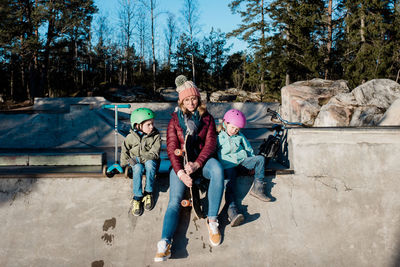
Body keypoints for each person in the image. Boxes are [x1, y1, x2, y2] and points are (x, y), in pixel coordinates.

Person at [154, 75, 225, 262]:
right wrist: (180, 172)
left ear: (198, 98)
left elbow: (210, 144)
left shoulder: (207, 118)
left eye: (193, 98)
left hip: (202, 162)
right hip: (181, 165)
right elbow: (171, 148)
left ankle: (212, 220)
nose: (191, 102)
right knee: (174, 201)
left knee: (217, 169)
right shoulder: (174, 120)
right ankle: (164, 243)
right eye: (187, 100)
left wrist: (197, 163)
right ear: (182, 101)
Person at [217, 109, 271, 227]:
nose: (235, 131)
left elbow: (249, 150)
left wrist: (252, 162)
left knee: (260, 159)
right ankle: (232, 212)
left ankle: (258, 188)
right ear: (226, 123)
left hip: (242, 163)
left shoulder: (239, 136)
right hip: (228, 167)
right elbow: (216, 154)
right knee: (230, 185)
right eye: (232, 128)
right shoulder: (219, 137)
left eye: (237, 129)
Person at [121, 108, 161, 216]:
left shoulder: (155, 136)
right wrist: (125, 163)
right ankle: (137, 197)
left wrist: (138, 159)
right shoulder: (130, 137)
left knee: (150, 163)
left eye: (152, 123)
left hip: (150, 160)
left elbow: (155, 154)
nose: (152, 126)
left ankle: (148, 192)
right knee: (138, 168)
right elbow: (125, 150)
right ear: (138, 125)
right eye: (148, 124)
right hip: (136, 162)